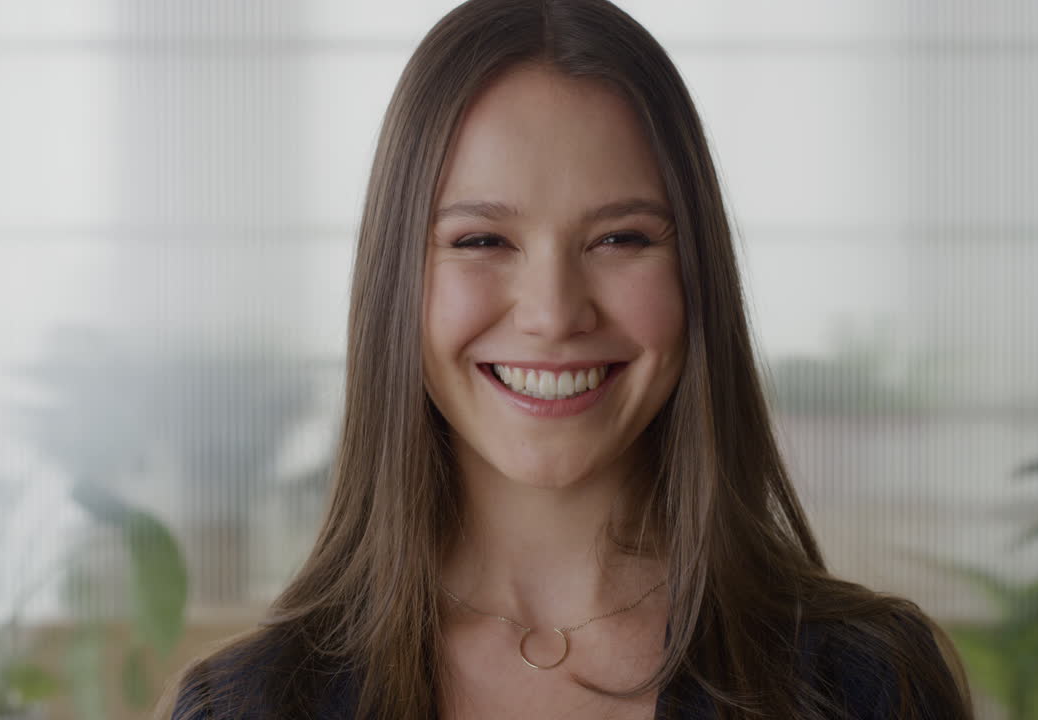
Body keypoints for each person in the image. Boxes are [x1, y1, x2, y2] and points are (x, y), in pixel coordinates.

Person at [160, 0, 973, 718]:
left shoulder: (866, 686)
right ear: (395, 280)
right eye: (482, 240)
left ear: (698, 273)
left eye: (620, 238)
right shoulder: (247, 706)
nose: (552, 315)